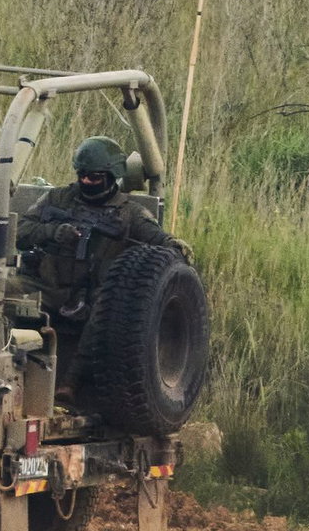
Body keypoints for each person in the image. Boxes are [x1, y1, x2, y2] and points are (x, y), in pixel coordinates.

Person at [17, 136, 189, 388]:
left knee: (106, 311)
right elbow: (20, 231)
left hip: (95, 294)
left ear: (112, 176)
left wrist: (175, 246)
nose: (87, 182)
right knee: (6, 288)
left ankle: (70, 382)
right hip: (49, 286)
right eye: (82, 175)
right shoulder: (57, 199)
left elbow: (159, 241)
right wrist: (53, 232)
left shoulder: (129, 213)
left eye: (95, 177)